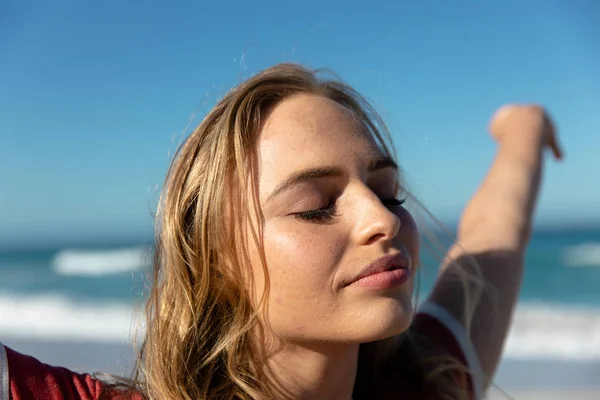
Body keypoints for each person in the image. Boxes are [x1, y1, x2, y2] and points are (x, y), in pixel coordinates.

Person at [0, 63, 562, 400]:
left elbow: (494, 233)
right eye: (316, 205)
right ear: (215, 257)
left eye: (389, 191)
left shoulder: (427, 385)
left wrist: (523, 131)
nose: (384, 219)